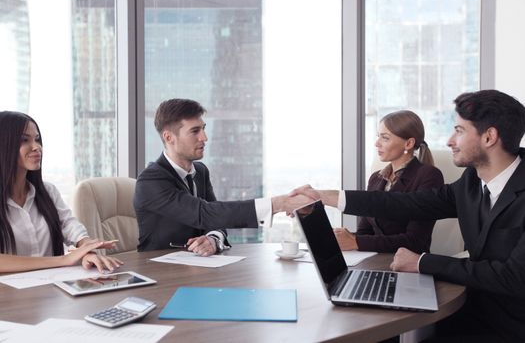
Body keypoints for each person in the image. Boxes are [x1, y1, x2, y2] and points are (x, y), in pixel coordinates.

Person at [291, 89, 525, 342]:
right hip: (471, 311)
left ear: (489, 137)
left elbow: (513, 278)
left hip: (511, 327)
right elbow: (408, 203)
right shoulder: (471, 182)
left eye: (459, 131)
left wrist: (423, 262)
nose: (449, 141)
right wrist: (328, 197)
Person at [134, 98, 309, 256]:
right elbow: (205, 214)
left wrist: (213, 238)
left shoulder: (200, 171)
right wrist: (278, 204)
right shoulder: (151, 181)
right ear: (169, 137)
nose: (204, 137)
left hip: (198, 269)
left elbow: (216, 220)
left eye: (203, 129)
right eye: (195, 131)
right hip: (159, 273)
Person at [0, 111, 123, 273]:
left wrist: (87, 249)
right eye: (24, 140)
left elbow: (69, 225)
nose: (36, 147)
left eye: (37, 139)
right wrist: (63, 260)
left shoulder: (48, 191)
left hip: (51, 288)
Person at [335, 110, 443, 253]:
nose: (376, 143)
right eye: (378, 137)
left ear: (409, 143)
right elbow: (365, 232)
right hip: (374, 260)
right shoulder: (376, 178)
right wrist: (344, 237)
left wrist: (355, 241)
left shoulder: (429, 176)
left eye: (385, 138)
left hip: (407, 265)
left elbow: (415, 241)